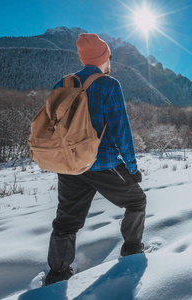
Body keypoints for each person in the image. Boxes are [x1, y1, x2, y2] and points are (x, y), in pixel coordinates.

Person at [45, 33, 147, 286]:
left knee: (66, 221)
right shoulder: (109, 84)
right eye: (108, 56)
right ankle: (132, 250)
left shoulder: (64, 82)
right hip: (103, 164)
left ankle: (57, 273)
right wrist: (132, 168)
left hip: (69, 164)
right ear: (104, 58)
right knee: (137, 201)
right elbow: (121, 130)